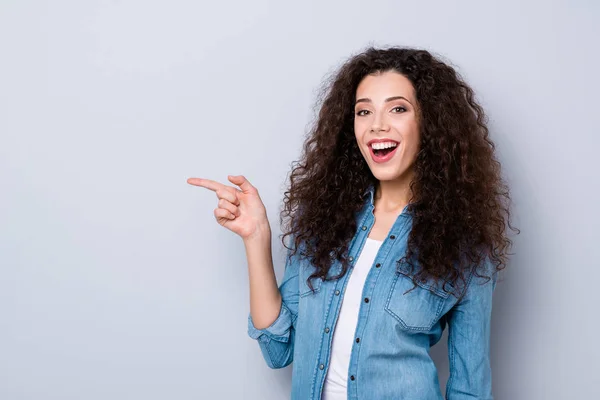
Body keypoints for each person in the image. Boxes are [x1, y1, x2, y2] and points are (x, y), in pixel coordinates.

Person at [187, 46, 517, 400]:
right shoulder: (322, 221)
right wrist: (256, 238)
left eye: (398, 108)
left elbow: (470, 387)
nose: (377, 125)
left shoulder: (465, 247)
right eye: (364, 111)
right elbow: (277, 350)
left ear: (431, 123)